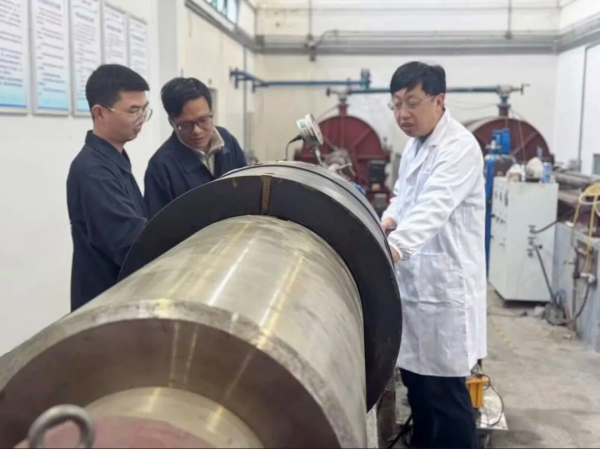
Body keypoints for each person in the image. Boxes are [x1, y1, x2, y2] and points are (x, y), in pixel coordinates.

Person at [381, 62, 486, 449]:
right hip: (416, 288)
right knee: (418, 389)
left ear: (439, 101)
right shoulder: (414, 146)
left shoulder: (459, 148)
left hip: (445, 291)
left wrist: (393, 247)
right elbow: (405, 197)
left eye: (412, 103)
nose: (403, 114)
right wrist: (387, 219)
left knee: (446, 397)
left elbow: (433, 207)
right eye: (396, 105)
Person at [67, 65, 152, 312]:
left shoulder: (114, 159)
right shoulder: (93, 171)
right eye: (133, 111)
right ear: (100, 113)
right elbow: (129, 243)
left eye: (144, 110)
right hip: (105, 306)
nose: (141, 119)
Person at [144, 78, 247, 217]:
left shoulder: (227, 140)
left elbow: (247, 190)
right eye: (185, 125)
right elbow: (157, 226)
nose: (197, 131)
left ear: (212, 112)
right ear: (172, 122)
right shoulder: (161, 167)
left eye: (203, 120)